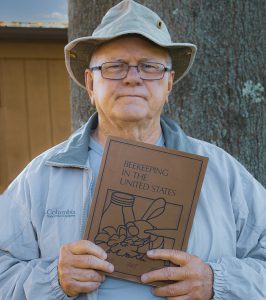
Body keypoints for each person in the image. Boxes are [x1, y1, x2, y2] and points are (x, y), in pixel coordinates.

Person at [0, 0, 265, 299]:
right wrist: (52, 279)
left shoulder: (221, 171)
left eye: (150, 67)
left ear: (169, 84)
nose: (132, 77)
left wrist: (218, 282)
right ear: (90, 83)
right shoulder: (42, 176)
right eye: (114, 66)